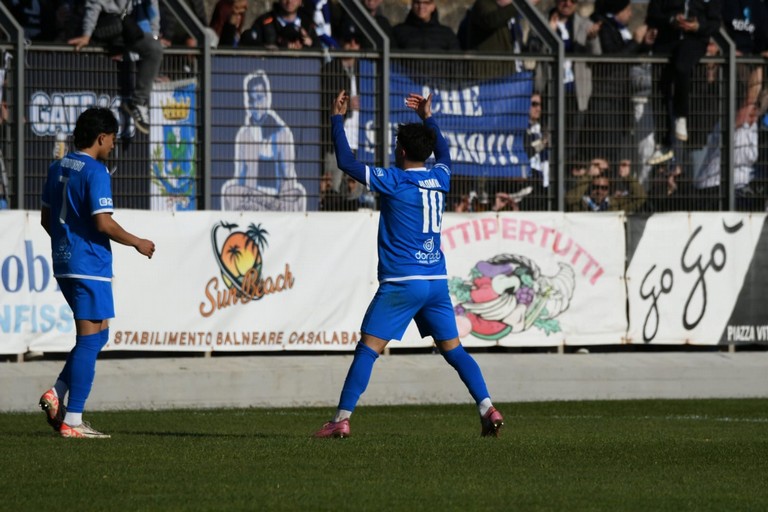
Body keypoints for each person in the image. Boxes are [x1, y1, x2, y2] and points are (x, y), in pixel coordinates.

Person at [313, 90, 504, 439]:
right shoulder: (440, 177)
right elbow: (444, 153)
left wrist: (337, 119)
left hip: (403, 282)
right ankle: (487, 407)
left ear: (400, 151)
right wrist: (428, 118)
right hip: (435, 281)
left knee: (368, 350)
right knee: (455, 351)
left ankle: (341, 418)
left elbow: (346, 162)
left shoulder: (394, 180)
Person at [38, 107, 155, 438]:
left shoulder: (56, 166)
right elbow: (103, 222)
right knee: (89, 340)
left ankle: (57, 392)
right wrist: (137, 242)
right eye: (113, 139)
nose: (114, 146)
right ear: (101, 137)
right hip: (90, 265)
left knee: (99, 334)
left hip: (65, 263)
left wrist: (68, 245)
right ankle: (73, 421)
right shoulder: (96, 171)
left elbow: (47, 219)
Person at [67, 0, 164, 135]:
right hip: (103, 25)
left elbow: (152, 5)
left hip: (126, 25)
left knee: (154, 49)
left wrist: (155, 34)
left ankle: (138, 102)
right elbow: (93, 5)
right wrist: (86, 34)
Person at [646, 0, 722, 165]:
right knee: (660, 87)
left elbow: (715, 22)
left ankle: (681, 116)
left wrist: (698, 26)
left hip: (694, 40)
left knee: (682, 67)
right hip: (666, 40)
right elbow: (652, 15)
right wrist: (671, 19)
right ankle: (663, 142)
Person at [220, 70, 307, 212]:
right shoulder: (244, 135)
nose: (256, 105)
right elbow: (241, 176)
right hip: (253, 198)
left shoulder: (282, 133)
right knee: (230, 191)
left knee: (298, 195)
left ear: (267, 98)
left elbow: (288, 175)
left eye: (259, 98)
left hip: (278, 200)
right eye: (251, 100)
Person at [548, 0, 601, 164]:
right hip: (551, 90)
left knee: (572, 142)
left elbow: (596, 56)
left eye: (572, 1)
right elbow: (535, 53)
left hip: (576, 92)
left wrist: (592, 38)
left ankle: (566, 185)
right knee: (551, 139)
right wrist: (550, 32)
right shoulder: (543, 22)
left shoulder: (585, 24)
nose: (567, 4)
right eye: (563, 0)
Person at [722, 0, 768, 108]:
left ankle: (749, 119)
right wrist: (728, 48)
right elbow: (718, 26)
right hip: (732, 55)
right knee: (754, 77)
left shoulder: (759, 6)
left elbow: (763, 35)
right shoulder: (726, 4)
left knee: (758, 73)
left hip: (752, 57)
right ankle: (746, 120)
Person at [240, 0, 320, 49]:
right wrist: (270, 48)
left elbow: (321, 50)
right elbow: (247, 41)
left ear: (300, 1)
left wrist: (310, 44)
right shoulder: (265, 22)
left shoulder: (308, 24)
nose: (289, 1)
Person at [391, 0, 460, 51]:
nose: (421, 7)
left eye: (426, 3)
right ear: (412, 5)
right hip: (406, 70)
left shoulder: (447, 34)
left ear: (433, 6)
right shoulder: (398, 32)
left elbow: (457, 62)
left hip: (439, 71)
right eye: (417, 2)